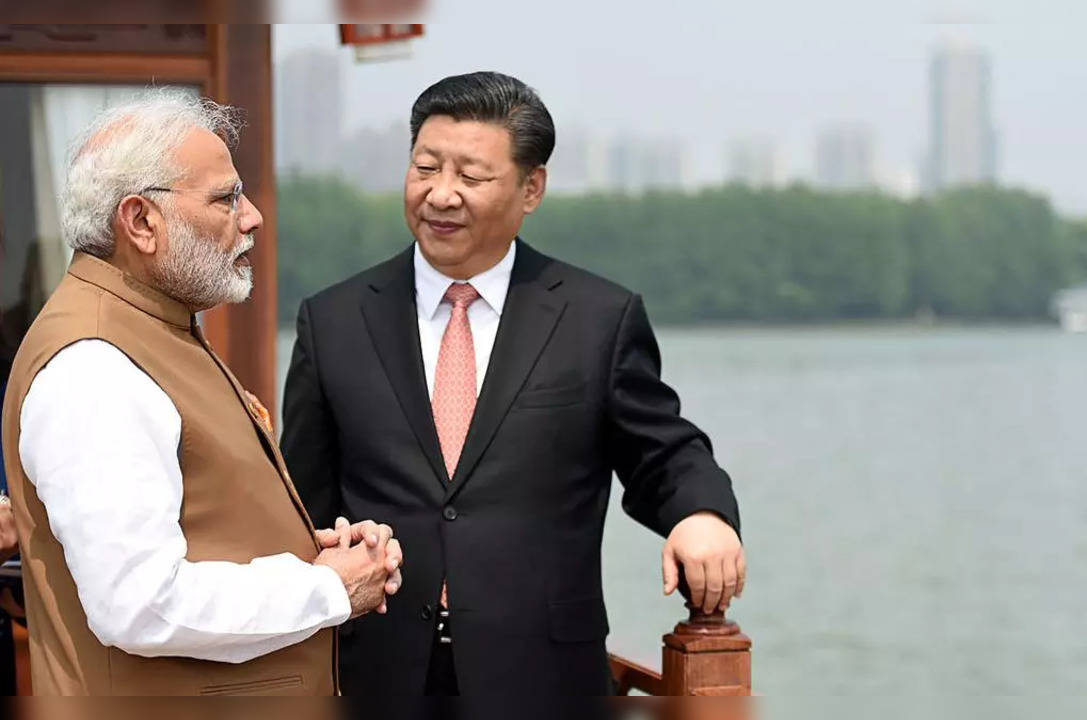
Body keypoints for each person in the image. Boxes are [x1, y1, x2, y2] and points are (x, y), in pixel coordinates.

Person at [281, 71, 746, 695]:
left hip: (544, 679)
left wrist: (702, 515)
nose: (441, 195)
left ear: (532, 188)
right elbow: (298, 500)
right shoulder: (334, 320)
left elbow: (665, 451)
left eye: (471, 177)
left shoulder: (596, 319)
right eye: (425, 168)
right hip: (375, 676)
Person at [0, 90, 403, 695]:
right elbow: (140, 604)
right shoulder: (94, 365)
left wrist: (304, 552)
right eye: (225, 198)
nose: (253, 216)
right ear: (140, 222)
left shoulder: (153, 325)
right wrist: (328, 589)